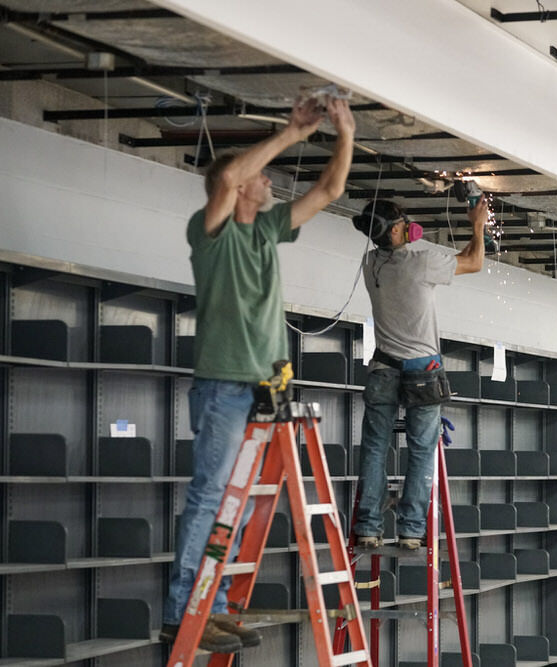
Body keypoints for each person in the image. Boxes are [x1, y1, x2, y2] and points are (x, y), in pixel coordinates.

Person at [160, 95, 356, 653]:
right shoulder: (211, 230)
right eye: (260, 176)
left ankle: (214, 607)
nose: (269, 180)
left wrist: (345, 134)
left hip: (264, 389)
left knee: (237, 505)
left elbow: (329, 191)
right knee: (209, 497)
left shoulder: (268, 230)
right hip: (224, 384)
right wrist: (291, 133)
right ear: (240, 184)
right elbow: (224, 183)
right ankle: (181, 610)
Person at [351, 196, 487, 550]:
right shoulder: (421, 262)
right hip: (422, 371)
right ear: (396, 229)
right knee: (422, 449)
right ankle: (411, 529)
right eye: (403, 223)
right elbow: (473, 261)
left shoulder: (370, 264)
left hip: (382, 368)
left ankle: (368, 525)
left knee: (375, 449)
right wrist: (477, 224)